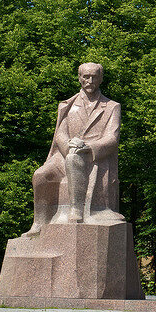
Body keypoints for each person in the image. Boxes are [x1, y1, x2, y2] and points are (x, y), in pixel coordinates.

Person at [23, 62, 123, 236]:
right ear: (79, 78)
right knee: (40, 175)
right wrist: (69, 146)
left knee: (73, 159)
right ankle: (39, 223)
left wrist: (88, 147)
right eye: (86, 76)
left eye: (94, 77)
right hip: (64, 153)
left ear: (100, 79)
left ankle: (76, 211)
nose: (90, 80)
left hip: (91, 156)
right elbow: (60, 134)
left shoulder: (112, 106)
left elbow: (112, 139)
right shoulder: (67, 105)